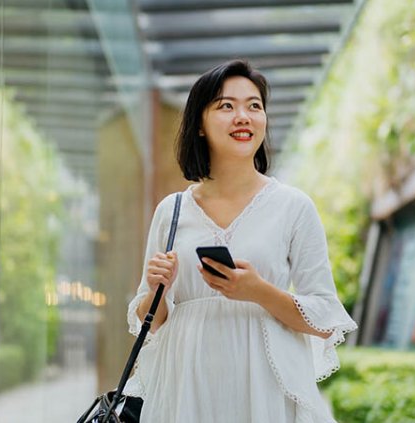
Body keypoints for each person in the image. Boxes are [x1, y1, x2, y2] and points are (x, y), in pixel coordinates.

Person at [123, 59, 357, 422]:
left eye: (254, 106)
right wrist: (156, 288)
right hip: (186, 389)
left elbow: (325, 318)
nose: (243, 116)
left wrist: (257, 290)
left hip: (265, 391)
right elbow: (151, 321)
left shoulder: (293, 207)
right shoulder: (172, 210)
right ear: (199, 124)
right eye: (226, 106)